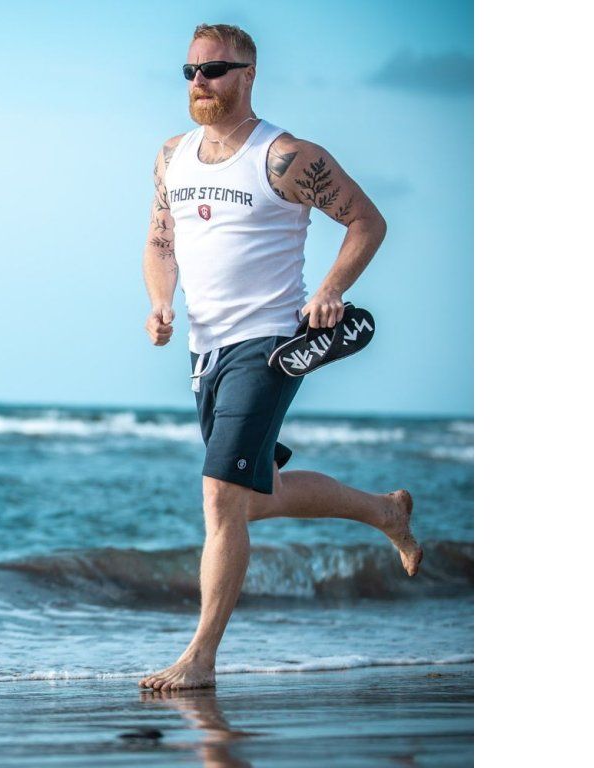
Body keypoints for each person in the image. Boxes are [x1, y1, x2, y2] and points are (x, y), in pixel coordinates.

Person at [139, 23, 423, 692]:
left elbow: (367, 221)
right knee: (251, 498)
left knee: (219, 497)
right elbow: (159, 242)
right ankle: (386, 512)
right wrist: (160, 302)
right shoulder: (172, 156)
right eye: (190, 72)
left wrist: (330, 289)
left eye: (213, 70)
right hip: (204, 348)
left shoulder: (285, 157)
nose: (200, 82)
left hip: (269, 345)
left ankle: (200, 659)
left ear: (248, 74)